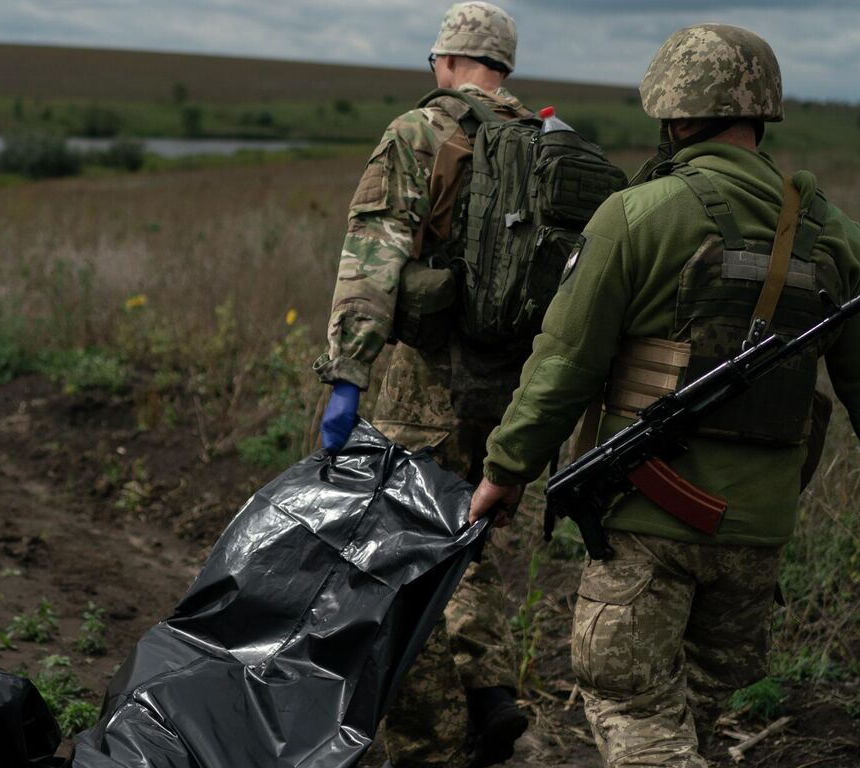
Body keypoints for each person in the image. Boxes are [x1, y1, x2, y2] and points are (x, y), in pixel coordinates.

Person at [467, 25, 860, 767]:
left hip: (647, 517)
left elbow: (564, 363)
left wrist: (505, 471)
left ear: (675, 114)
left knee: (632, 707)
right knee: (697, 712)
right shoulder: (839, 237)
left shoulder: (638, 213)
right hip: (757, 533)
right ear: (761, 114)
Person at [313, 2, 533, 765]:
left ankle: (428, 745)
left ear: (445, 60)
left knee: (399, 557)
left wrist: (349, 373)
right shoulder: (548, 140)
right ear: (503, 65)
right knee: (468, 537)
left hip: (429, 385)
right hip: (516, 392)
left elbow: (374, 252)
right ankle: (490, 689)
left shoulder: (420, 131)